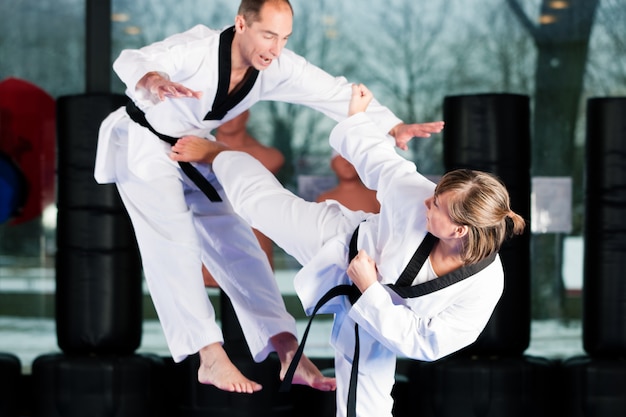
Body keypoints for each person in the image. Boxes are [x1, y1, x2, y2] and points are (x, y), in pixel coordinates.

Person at [94, 0, 443, 394]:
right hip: (141, 145)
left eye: (284, 38)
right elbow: (132, 59)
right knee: (172, 244)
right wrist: (154, 81)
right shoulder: (199, 49)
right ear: (241, 24)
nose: (275, 48)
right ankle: (209, 356)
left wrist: (393, 125)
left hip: (192, 147)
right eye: (268, 35)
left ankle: (286, 349)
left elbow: (334, 92)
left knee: (239, 245)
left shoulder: (276, 66)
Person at [169, 83, 526, 417]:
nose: (427, 202)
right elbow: (382, 162)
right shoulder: (415, 196)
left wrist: (371, 290)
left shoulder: (484, 286)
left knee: (365, 411)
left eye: (436, 205)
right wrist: (356, 119)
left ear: (460, 230)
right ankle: (222, 156)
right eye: (434, 194)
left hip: (377, 323)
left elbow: (427, 343)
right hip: (339, 242)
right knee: (257, 206)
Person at [202, 109, 283, 286]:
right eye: (224, 111)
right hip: (212, 239)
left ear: (246, 115)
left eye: (235, 111)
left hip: (253, 242)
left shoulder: (268, 156)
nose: (228, 117)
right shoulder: (198, 151)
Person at [316, 151, 380, 214]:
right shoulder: (324, 200)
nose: (347, 163)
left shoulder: (377, 197)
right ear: (332, 164)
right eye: (341, 158)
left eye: (351, 159)